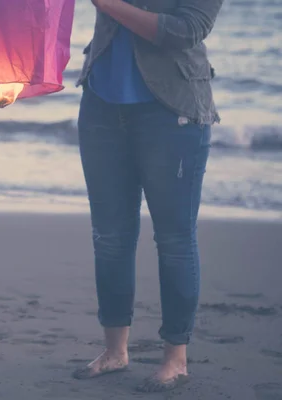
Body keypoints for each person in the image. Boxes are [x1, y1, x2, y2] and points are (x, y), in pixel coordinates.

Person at [71, 0, 224, 392]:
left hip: (172, 112)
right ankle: (115, 351)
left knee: (174, 240)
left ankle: (176, 359)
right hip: (101, 106)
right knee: (109, 238)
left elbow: (185, 30)